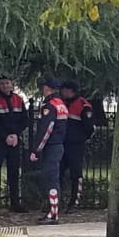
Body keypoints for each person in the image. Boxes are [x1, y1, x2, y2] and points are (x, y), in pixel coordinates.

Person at [0, 75, 28, 212]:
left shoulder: (19, 100)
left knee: (14, 172)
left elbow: (24, 120)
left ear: (12, 84)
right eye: (2, 84)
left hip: (14, 141)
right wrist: (4, 136)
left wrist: (16, 134)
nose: (5, 86)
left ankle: (15, 202)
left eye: (7, 83)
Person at [28, 77, 69, 223]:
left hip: (51, 147)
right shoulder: (61, 104)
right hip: (59, 145)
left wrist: (36, 150)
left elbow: (46, 130)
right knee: (53, 178)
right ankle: (53, 211)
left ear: (47, 88)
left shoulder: (50, 106)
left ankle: (53, 214)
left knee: (51, 179)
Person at [60, 80, 94, 211]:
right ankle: (56, 200)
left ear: (71, 91)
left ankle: (74, 201)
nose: (63, 92)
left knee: (75, 173)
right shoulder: (61, 103)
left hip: (75, 145)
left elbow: (89, 127)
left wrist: (80, 139)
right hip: (61, 143)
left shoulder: (83, 105)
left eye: (65, 90)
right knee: (58, 172)